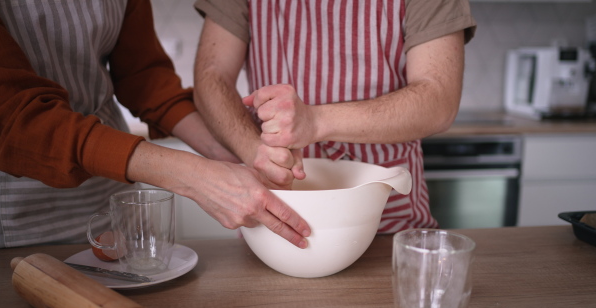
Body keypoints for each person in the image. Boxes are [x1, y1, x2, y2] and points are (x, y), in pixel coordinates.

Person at [0, 0, 310, 249]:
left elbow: (143, 79)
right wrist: (194, 175)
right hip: (19, 212)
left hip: (107, 195)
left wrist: (227, 150)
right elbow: (14, 118)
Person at [192, 0, 476, 233]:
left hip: (388, 222)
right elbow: (211, 77)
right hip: (272, 216)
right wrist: (254, 151)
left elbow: (439, 99)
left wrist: (315, 122)